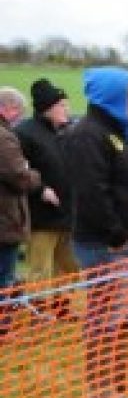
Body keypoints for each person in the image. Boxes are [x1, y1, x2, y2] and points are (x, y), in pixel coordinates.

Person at [63, 68, 128, 398]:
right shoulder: (88, 135)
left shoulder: (121, 133)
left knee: (122, 316)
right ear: (109, 96)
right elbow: (92, 193)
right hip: (108, 244)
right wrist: (116, 234)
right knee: (105, 317)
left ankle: (117, 381)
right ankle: (99, 389)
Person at [18, 80, 79, 287]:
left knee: (68, 267)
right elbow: (19, 171)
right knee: (40, 268)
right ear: (47, 108)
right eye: (62, 105)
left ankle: (62, 306)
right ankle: (39, 312)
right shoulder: (25, 133)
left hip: (67, 215)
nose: (66, 110)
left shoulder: (64, 131)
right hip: (41, 217)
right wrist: (41, 189)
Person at [0, 88, 38, 292]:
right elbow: (19, 177)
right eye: (17, 110)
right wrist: (34, 175)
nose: (20, 117)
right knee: (4, 280)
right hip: (5, 220)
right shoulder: (4, 137)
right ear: (5, 109)